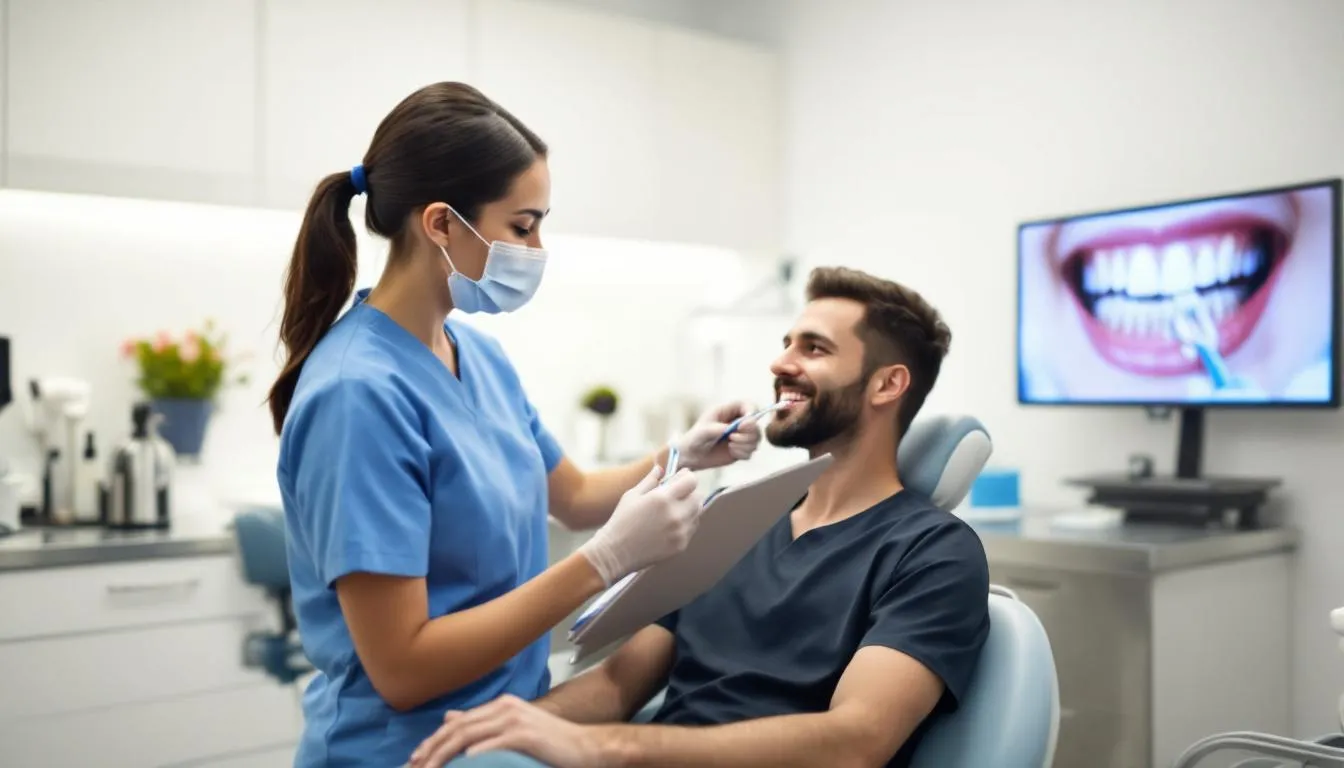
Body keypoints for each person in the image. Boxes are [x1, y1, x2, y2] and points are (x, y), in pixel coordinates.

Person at [267, 81, 765, 767]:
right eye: (522, 225)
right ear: (440, 224)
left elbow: (578, 494)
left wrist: (683, 455)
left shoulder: (478, 356)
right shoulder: (359, 394)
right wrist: (605, 561)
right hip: (403, 752)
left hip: (508, 733)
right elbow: (403, 668)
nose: (537, 247)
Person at [409, 266, 993, 768]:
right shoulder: (734, 523)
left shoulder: (934, 552)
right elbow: (617, 685)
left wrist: (607, 750)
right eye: (787, 342)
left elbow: (855, 741)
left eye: (813, 349)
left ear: (888, 384)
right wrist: (492, 735)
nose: (780, 362)